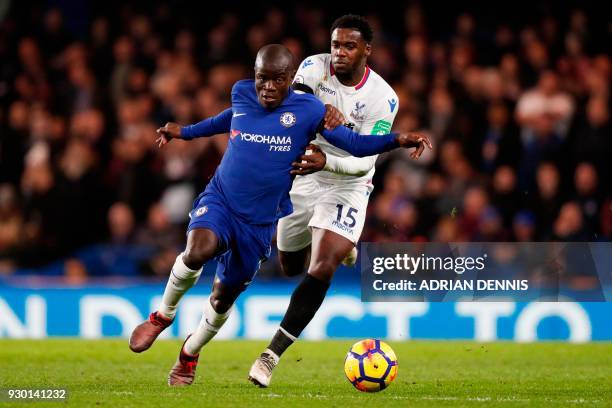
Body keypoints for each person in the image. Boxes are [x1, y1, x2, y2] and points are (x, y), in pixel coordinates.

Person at [128, 44, 431, 387]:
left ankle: (189, 353)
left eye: (276, 80)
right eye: (261, 79)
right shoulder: (242, 93)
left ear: (291, 79)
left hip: (258, 224)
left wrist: (398, 139)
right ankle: (161, 316)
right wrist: (185, 131)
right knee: (198, 249)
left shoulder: (309, 110)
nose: (267, 87)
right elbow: (228, 119)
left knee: (224, 296)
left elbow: (357, 145)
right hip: (222, 199)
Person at [249, 15, 409, 387]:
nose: (339, 53)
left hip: (347, 181)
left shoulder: (383, 99)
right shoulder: (313, 66)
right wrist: (318, 112)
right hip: (303, 174)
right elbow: (296, 105)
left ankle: (270, 355)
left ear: (366, 50)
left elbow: (364, 163)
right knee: (289, 264)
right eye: (336, 44)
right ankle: (342, 242)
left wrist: (328, 160)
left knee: (321, 266)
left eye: (349, 46)